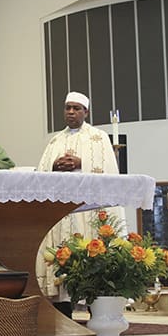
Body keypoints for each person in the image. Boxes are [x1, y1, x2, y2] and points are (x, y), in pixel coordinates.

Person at [35, 91, 124, 318]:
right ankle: (62, 319)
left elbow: (110, 172)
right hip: (60, 213)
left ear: (86, 112)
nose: (71, 112)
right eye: (68, 108)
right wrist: (55, 165)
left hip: (87, 213)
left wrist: (80, 163)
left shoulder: (99, 137)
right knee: (59, 265)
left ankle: (99, 315)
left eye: (76, 108)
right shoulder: (55, 140)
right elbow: (40, 173)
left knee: (89, 260)